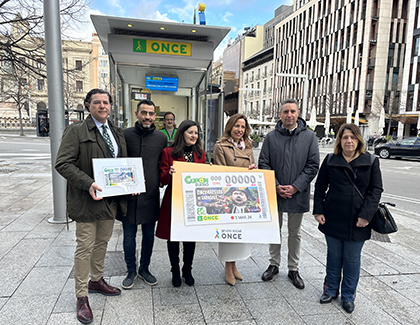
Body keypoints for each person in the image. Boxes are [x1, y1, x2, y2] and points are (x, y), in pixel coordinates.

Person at [55, 89, 127, 324]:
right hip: (87, 199)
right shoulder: (76, 131)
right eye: (97, 102)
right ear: (88, 105)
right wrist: (88, 184)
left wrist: (129, 183)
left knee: (102, 242)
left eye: (106, 102)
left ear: (111, 105)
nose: (102, 106)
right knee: (84, 247)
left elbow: (121, 165)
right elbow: (63, 163)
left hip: (109, 200)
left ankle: (96, 280)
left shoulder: (116, 132)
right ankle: (81, 296)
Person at [313, 123, 383, 314]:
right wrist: (318, 211)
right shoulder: (330, 160)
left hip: (358, 220)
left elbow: (376, 190)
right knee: (334, 256)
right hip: (333, 217)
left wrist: (365, 216)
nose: (349, 141)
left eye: (352, 137)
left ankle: (348, 296)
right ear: (340, 140)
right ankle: (330, 290)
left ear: (358, 139)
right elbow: (320, 187)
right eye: (345, 137)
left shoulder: (370, 161)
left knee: (352, 259)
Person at [258, 99, 319, 289]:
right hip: (274, 192)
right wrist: (275, 185)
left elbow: (312, 165)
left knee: (295, 233)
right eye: (285, 111)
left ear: (298, 113)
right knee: (273, 231)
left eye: (292, 111)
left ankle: (293, 268)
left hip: (297, 193)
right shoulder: (270, 137)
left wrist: (295, 187)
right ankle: (273, 264)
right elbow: (264, 163)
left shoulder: (310, 137)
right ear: (280, 114)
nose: (289, 115)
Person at [117, 99, 167, 289]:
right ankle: (131, 270)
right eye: (144, 113)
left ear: (155, 116)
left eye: (151, 114)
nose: (147, 117)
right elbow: (117, 162)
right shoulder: (124, 135)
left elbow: (164, 165)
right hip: (128, 195)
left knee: (148, 235)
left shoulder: (161, 138)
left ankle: (144, 269)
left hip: (150, 195)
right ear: (137, 113)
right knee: (128, 236)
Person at [156, 120, 206, 287]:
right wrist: (169, 174)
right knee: (173, 238)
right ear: (182, 133)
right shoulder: (168, 152)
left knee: (191, 239)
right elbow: (162, 179)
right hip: (174, 201)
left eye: (196, 133)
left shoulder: (200, 153)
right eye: (190, 132)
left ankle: (187, 269)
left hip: (194, 202)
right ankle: (175, 270)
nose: (194, 136)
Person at [213, 113, 256, 286]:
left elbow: (252, 165)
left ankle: (234, 265)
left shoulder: (249, 145)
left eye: (243, 127)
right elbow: (220, 172)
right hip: (229, 194)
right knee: (229, 234)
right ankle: (227, 268)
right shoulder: (220, 146)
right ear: (230, 126)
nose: (239, 130)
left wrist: (252, 170)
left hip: (244, 194)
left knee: (240, 234)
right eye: (237, 126)